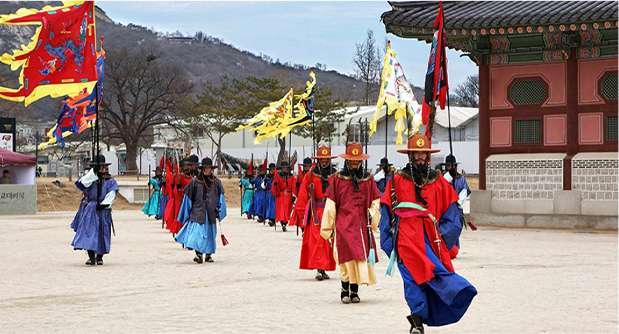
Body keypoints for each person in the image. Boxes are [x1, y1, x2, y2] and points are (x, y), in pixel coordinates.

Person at [378, 134, 477, 334]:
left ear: (428, 155)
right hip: (406, 239)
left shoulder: (439, 182)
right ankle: (416, 322)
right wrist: (390, 244)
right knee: (411, 280)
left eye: (424, 153)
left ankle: (456, 295)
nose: (421, 157)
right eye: (417, 153)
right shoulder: (396, 181)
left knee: (437, 276)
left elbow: (452, 216)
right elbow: (385, 215)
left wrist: (441, 240)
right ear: (410, 155)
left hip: (431, 241)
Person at [321, 143, 381, 304]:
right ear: (347, 161)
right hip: (344, 224)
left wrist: (372, 212)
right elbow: (331, 205)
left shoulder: (368, 180)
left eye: (357, 160)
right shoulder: (337, 180)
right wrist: (328, 228)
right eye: (352, 160)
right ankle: (344, 290)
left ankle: (355, 291)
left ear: (361, 161)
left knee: (359, 259)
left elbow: (376, 199)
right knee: (345, 259)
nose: (355, 163)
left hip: (362, 226)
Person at [295, 148, 337, 281]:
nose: (324, 161)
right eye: (321, 159)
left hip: (330, 212)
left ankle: (324, 267)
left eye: (326, 159)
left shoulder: (336, 176)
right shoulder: (310, 175)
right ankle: (320, 268)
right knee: (318, 240)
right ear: (318, 160)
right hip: (315, 213)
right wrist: (302, 217)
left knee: (328, 241)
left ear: (330, 159)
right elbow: (302, 196)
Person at [175, 157, 227, 263]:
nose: (207, 170)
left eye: (209, 168)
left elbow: (221, 198)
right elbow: (187, 199)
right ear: (202, 169)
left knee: (210, 233)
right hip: (198, 211)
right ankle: (198, 254)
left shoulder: (216, 182)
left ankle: (208, 254)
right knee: (197, 233)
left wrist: (220, 211)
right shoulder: (195, 182)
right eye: (206, 168)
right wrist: (186, 213)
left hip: (211, 212)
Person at [71, 155, 118, 265]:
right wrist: (93, 174)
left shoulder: (110, 181)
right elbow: (83, 183)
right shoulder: (90, 178)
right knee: (89, 231)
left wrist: (104, 204)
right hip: (91, 207)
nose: (101, 168)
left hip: (103, 209)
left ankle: (100, 257)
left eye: (102, 166)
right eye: (98, 167)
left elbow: (112, 193)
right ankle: (91, 256)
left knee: (102, 231)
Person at [441, 154, 472, 259]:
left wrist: (457, 203)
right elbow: (440, 188)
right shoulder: (442, 178)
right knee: (444, 229)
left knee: (455, 229)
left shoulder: (461, 179)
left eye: (454, 166)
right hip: (445, 210)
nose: (452, 168)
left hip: (456, 209)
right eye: (449, 166)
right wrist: (449, 176)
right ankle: (444, 249)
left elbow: (464, 191)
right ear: (446, 167)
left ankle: (453, 249)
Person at [272, 161, 296, 232]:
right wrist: (275, 185)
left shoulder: (292, 177)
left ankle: (285, 223)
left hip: (288, 195)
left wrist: (294, 195)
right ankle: (283, 223)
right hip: (281, 195)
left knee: (287, 210)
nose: (285, 169)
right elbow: (275, 187)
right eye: (283, 168)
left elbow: (294, 187)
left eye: (286, 168)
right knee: (281, 210)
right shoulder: (278, 177)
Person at [289, 157, 313, 229]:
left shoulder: (313, 174)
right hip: (302, 197)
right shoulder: (300, 175)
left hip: (311, 197)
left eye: (309, 166)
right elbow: (295, 188)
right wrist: (297, 185)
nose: (307, 168)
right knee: (301, 213)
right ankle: (303, 229)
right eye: (306, 166)